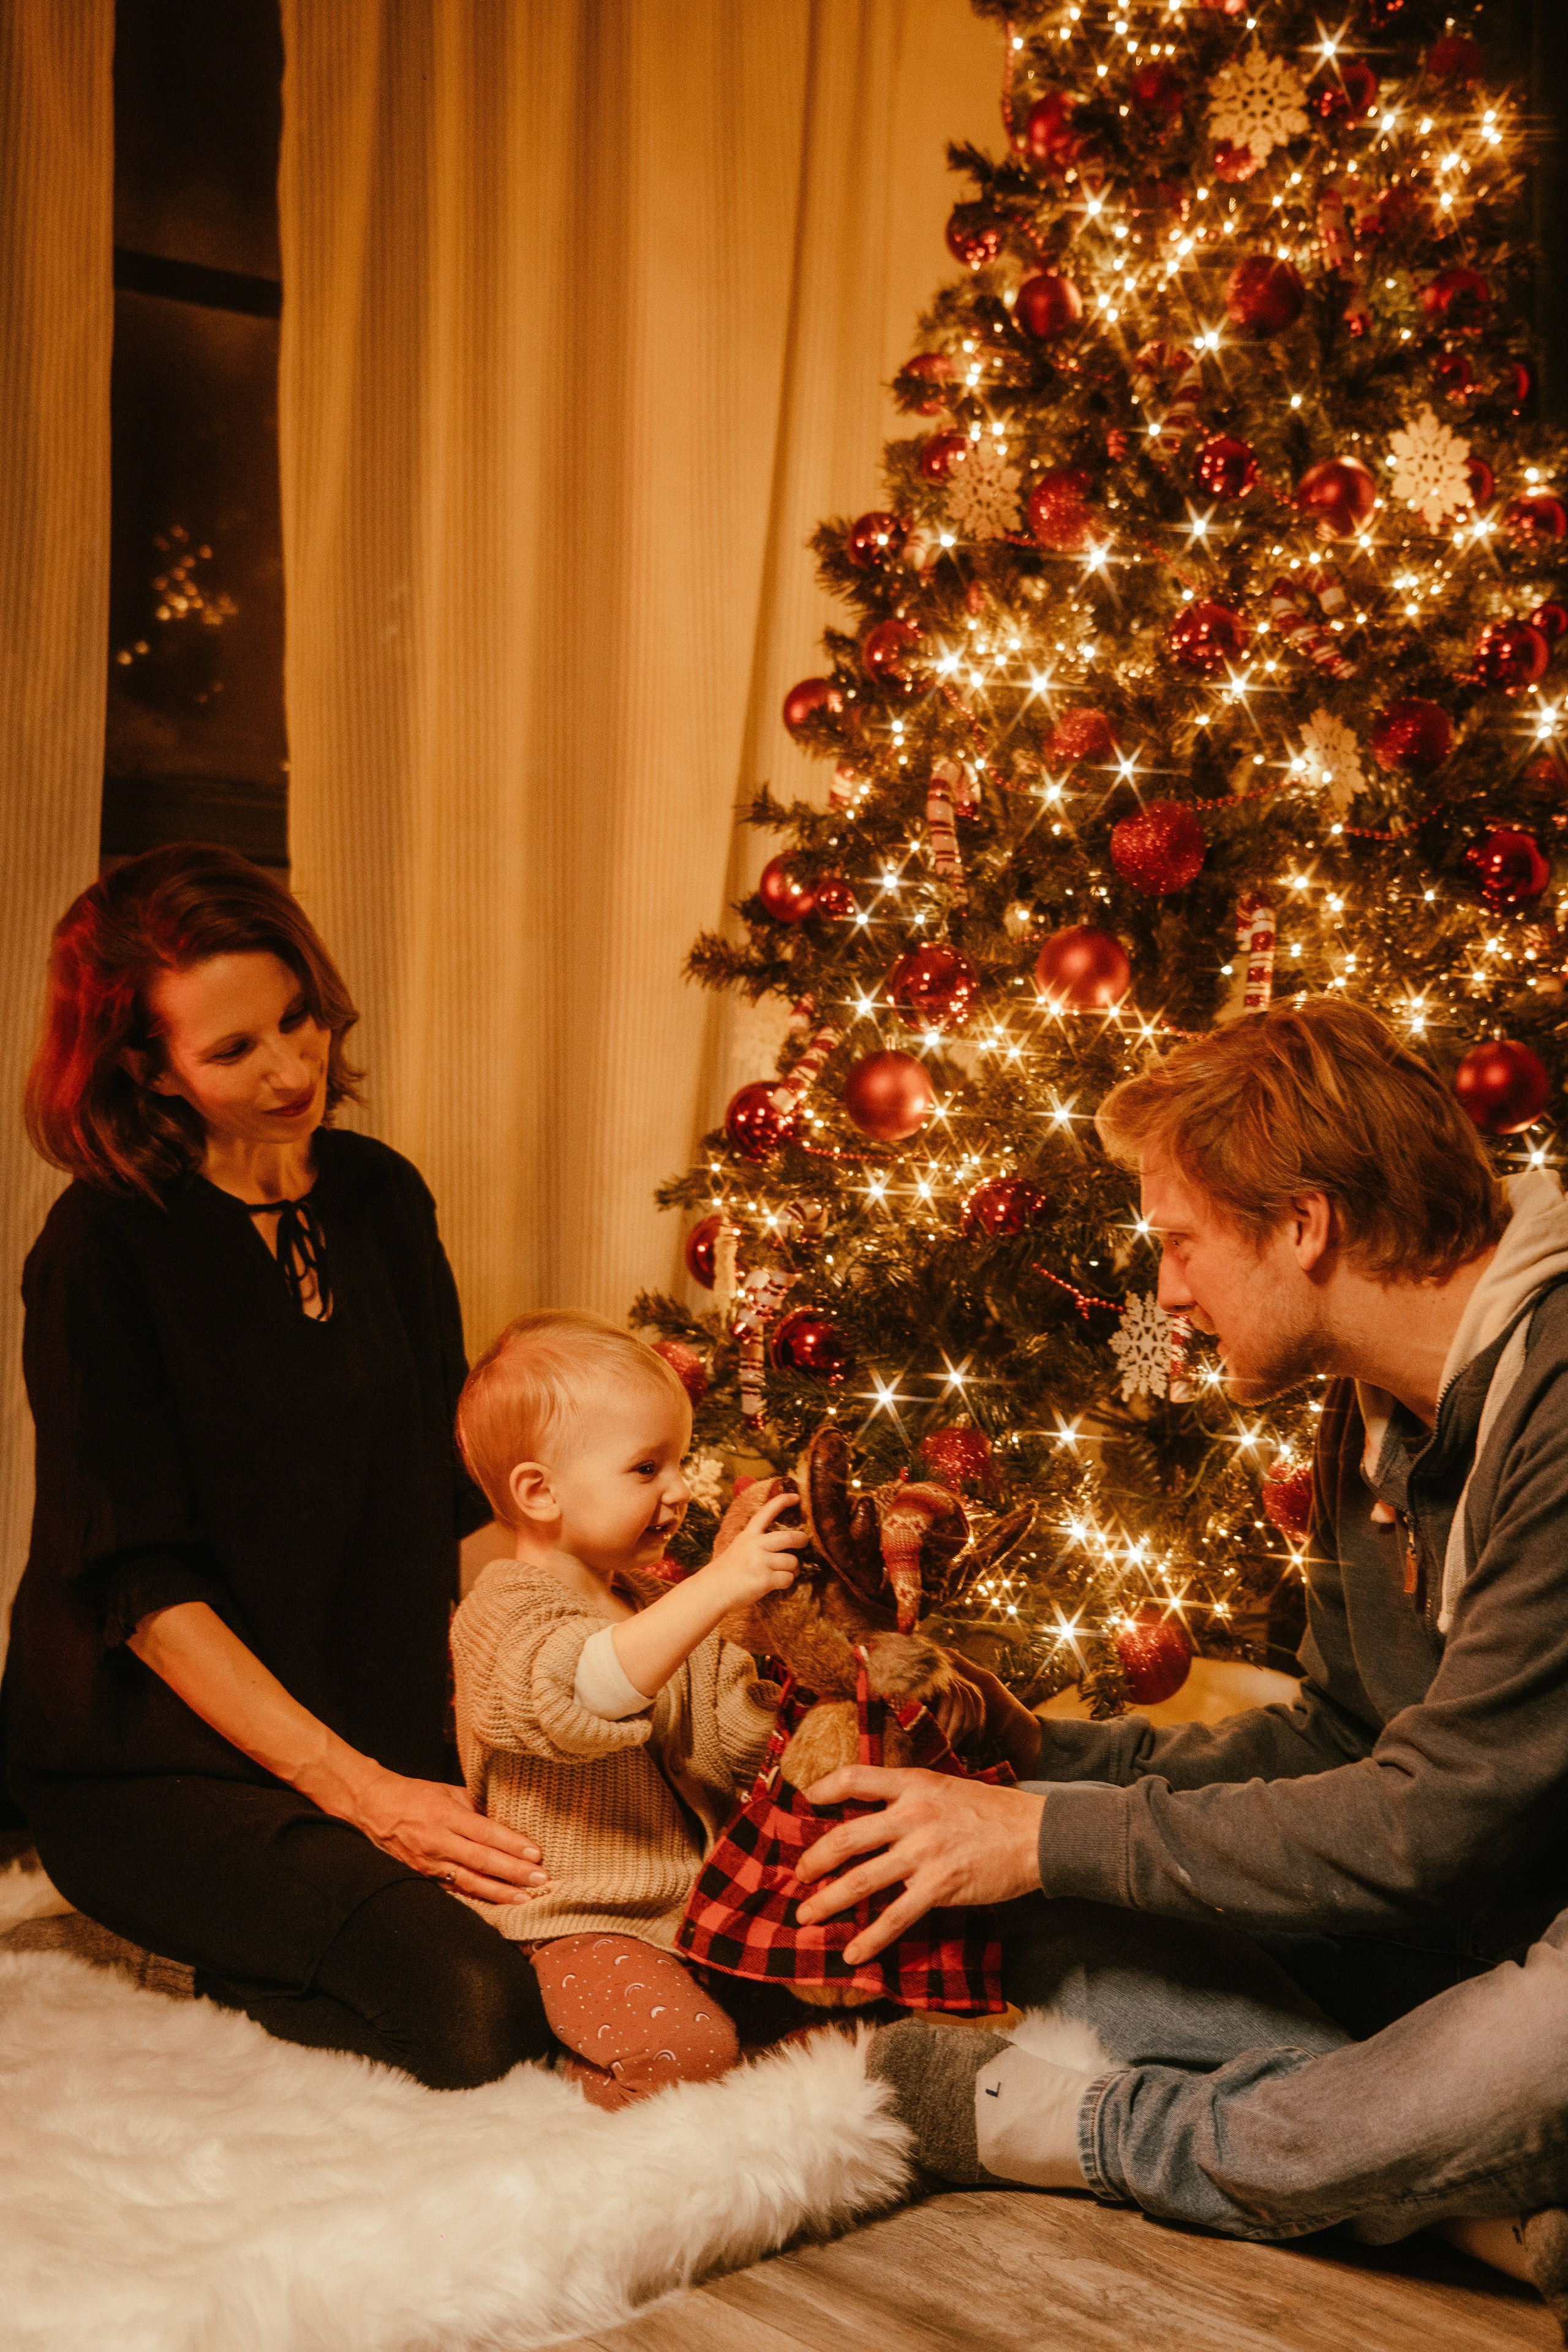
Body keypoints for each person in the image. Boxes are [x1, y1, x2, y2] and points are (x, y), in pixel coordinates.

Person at [783, 999, 1568, 2316]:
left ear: (1302, 1226)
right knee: (1013, 1905)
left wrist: (1041, 1836)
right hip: (1464, 1928)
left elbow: (1437, 1822)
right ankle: (1464, 2193)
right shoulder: (1368, 1412)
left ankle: (1087, 2133)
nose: (1165, 1294)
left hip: (1532, 1949)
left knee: (1526, 2047)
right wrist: (1034, 1767)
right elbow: (1333, 1741)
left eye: (1179, 1245)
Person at [2, 844, 554, 2088]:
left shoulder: (378, 1198)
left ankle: (292, 1938)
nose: (294, 1069)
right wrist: (364, 1797)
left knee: (577, 1919)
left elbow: (437, 1484)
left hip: (367, 1715)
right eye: (234, 1051)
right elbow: (140, 1594)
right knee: (475, 2011)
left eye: (297, 1019)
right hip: (152, 1754)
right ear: (146, 1066)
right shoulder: (101, 1249)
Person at [448, 1310, 813, 2108]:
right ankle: (575, 2094)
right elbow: (581, 1692)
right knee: (689, 2053)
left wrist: (760, 1635)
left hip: (695, 1910)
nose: (681, 1490)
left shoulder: (653, 1600)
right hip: (577, 1923)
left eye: (680, 1462)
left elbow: (735, 1747)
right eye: (647, 1469)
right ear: (540, 1493)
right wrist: (718, 1588)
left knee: (828, 2022)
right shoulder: (502, 1609)